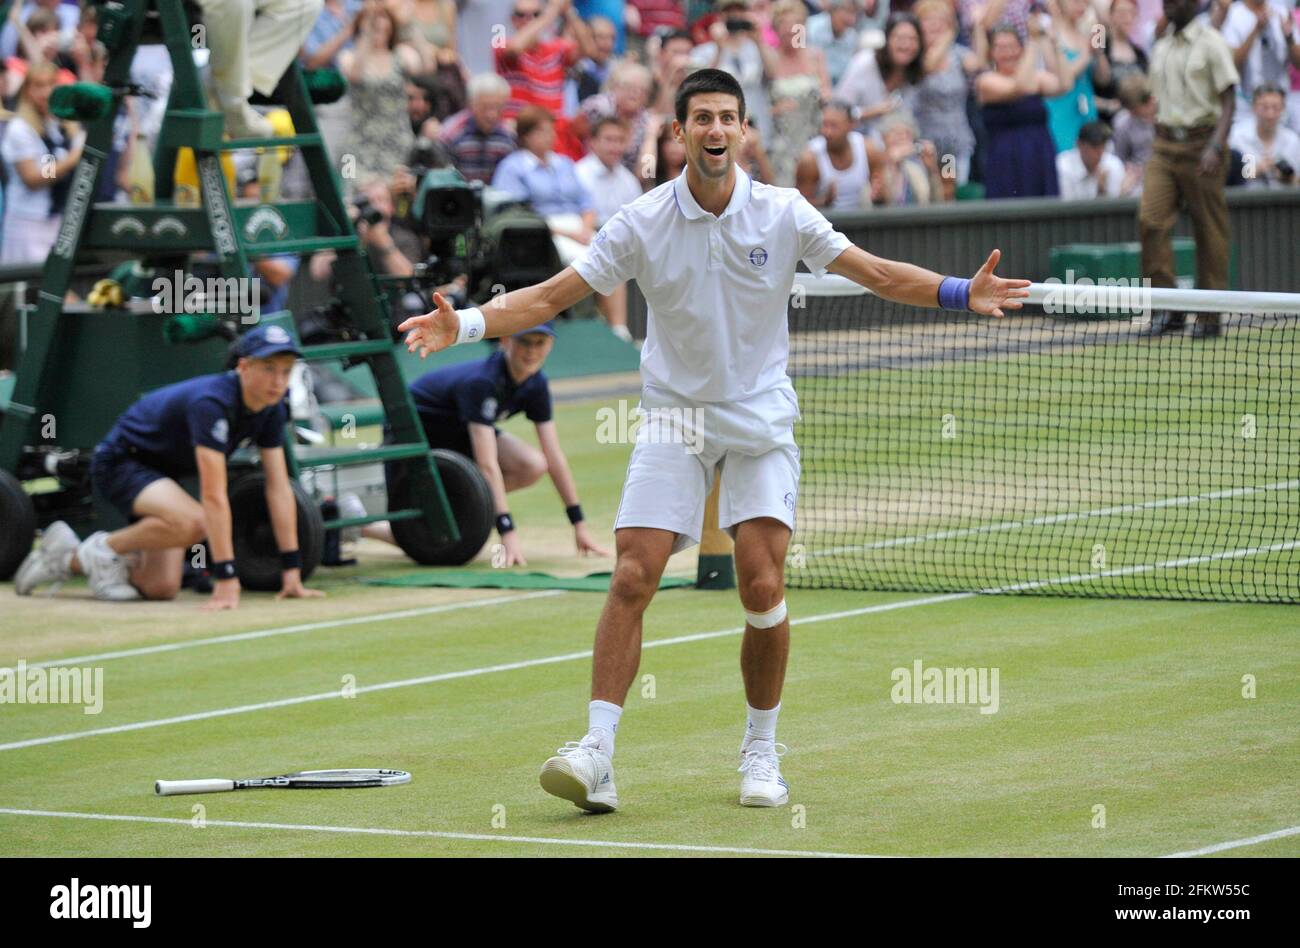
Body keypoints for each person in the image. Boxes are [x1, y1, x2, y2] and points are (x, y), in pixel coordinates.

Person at [396, 68, 1029, 813]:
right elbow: (550, 296)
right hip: (676, 419)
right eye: (702, 118)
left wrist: (961, 291)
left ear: (744, 131)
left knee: (762, 588)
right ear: (679, 133)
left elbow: (880, 274)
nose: (717, 130)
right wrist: (464, 324)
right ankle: (597, 751)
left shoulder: (785, 213)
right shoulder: (638, 221)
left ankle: (761, 749)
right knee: (634, 573)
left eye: (729, 117)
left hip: (759, 420)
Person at [15, 326, 324, 608]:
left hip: (163, 474)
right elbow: (213, 496)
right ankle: (103, 550)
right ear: (244, 367)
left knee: (160, 588)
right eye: (269, 369)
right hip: (121, 462)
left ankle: (65, 559)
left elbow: (279, 487)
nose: (279, 381)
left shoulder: (271, 407)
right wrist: (227, 577)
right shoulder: (211, 403)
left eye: (286, 371)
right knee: (195, 523)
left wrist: (291, 571)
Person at [358, 323, 611, 564]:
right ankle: (360, 527)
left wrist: (579, 526)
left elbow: (553, 455)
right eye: (524, 342)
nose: (532, 351)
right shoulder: (482, 383)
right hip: (413, 434)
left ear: (551, 344)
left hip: (458, 434)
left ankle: (459, 512)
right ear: (505, 340)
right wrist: (507, 532)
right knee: (420, 538)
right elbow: (487, 464)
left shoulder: (537, 383)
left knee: (532, 464)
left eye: (540, 342)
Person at [1140, 0, 1238, 338]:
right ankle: (1168, 308)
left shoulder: (1211, 42)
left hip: (1203, 144)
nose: (1167, 5)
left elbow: (1229, 99)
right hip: (1165, 146)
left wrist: (1215, 145)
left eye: (1175, 0)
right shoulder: (1161, 45)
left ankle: (1210, 317)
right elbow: (1153, 97)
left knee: (1208, 231)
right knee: (1150, 219)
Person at [0, 61, 83, 265]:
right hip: (27, 223)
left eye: (51, 84)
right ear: (27, 90)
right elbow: (35, 178)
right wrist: (74, 158)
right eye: (38, 85)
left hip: (56, 220)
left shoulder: (60, 125)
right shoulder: (20, 128)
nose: (45, 92)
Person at [976, 21, 1066, 198]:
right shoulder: (986, 80)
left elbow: (1064, 84)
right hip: (1006, 156)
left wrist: (1055, 46)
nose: (1008, 53)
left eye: (1012, 46)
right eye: (1000, 47)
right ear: (991, 52)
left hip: (1039, 151)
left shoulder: (1035, 78)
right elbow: (1020, 88)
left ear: (1020, 49)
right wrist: (1032, 44)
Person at [576, 116, 642, 340]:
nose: (614, 146)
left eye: (620, 140)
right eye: (609, 139)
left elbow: (639, 220)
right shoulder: (579, 173)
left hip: (625, 241)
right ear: (593, 142)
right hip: (589, 238)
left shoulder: (628, 180)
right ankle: (618, 330)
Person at [766, 0, 831, 187]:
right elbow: (760, 105)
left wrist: (821, 98)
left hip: (813, 134)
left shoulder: (815, 56)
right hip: (783, 140)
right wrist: (776, 110)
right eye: (783, 24)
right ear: (776, 28)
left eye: (795, 23)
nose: (790, 29)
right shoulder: (770, 58)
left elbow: (828, 94)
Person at [835, 11, 925, 139]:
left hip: (896, 147)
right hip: (856, 142)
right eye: (899, 38)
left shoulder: (916, 73)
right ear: (887, 39)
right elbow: (838, 112)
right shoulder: (865, 63)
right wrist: (873, 112)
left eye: (912, 39)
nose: (906, 45)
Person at [796, 99, 879, 210]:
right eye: (825, 125)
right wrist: (824, 202)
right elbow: (798, 208)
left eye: (834, 126)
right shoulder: (810, 159)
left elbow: (883, 196)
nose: (827, 132)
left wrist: (879, 195)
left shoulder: (869, 150)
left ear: (852, 125)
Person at [438, 72, 517, 185]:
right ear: (471, 105)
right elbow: (443, 176)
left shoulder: (508, 136)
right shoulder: (451, 133)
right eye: (485, 107)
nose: (492, 114)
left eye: (498, 107)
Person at [1229, 84, 1300, 188]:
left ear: (1283, 108)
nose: (1270, 114)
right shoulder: (1236, 136)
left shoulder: (1292, 140)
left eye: (1276, 107)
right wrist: (1257, 170)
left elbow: (1297, 180)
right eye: (1264, 107)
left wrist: (1286, 177)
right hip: (1245, 200)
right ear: (1253, 107)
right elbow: (1228, 178)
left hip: (1284, 200)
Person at [1056, 120, 1126, 198]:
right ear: (1079, 144)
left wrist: (1102, 191)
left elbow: (1115, 208)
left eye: (1103, 146)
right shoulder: (1062, 165)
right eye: (1094, 146)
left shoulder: (1114, 165)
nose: (1100, 152)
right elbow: (1065, 207)